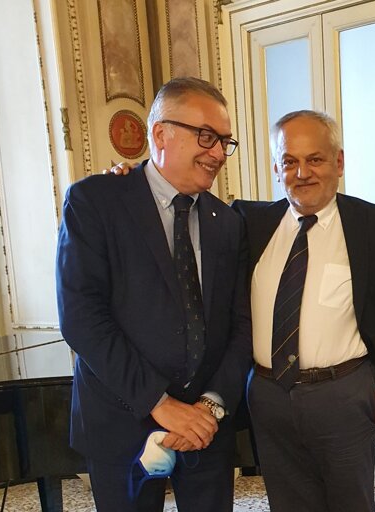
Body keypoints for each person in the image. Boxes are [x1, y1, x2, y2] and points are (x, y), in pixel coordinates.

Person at [56, 77, 252, 511]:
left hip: (206, 429)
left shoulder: (228, 222)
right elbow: (82, 317)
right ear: (161, 133)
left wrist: (210, 407)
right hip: (122, 422)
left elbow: (241, 326)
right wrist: (160, 404)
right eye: (206, 136)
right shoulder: (95, 202)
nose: (219, 153)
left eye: (225, 141)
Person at [232, 110, 375, 512]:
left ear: (338, 162)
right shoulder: (248, 222)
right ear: (276, 168)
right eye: (290, 161)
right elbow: (185, 207)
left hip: (343, 395)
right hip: (269, 397)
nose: (302, 172)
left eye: (315, 159)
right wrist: (132, 177)